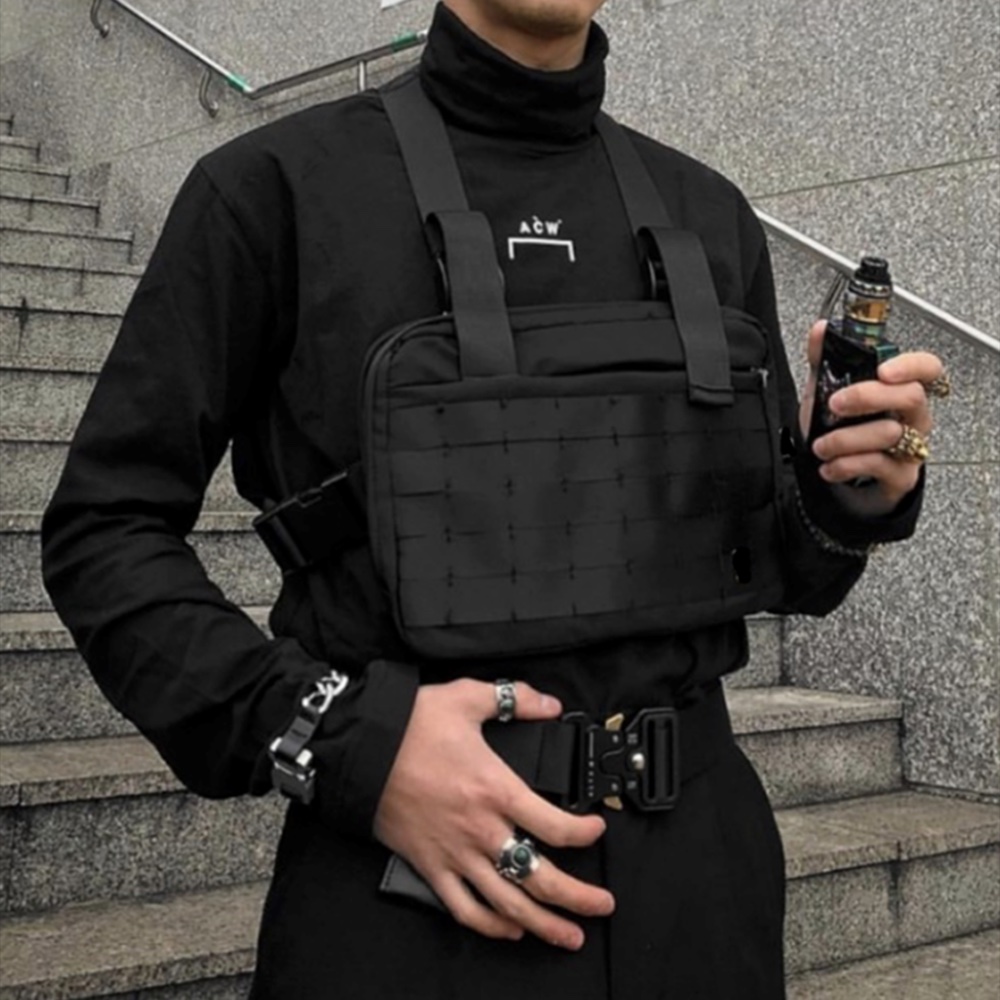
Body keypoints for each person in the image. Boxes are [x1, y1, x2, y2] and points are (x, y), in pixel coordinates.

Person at [41, 1, 946, 997]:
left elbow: (783, 565)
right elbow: (104, 530)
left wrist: (848, 490)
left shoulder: (710, 211)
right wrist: (341, 741)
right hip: (406, 904)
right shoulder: (271, 189)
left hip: (704, 887)